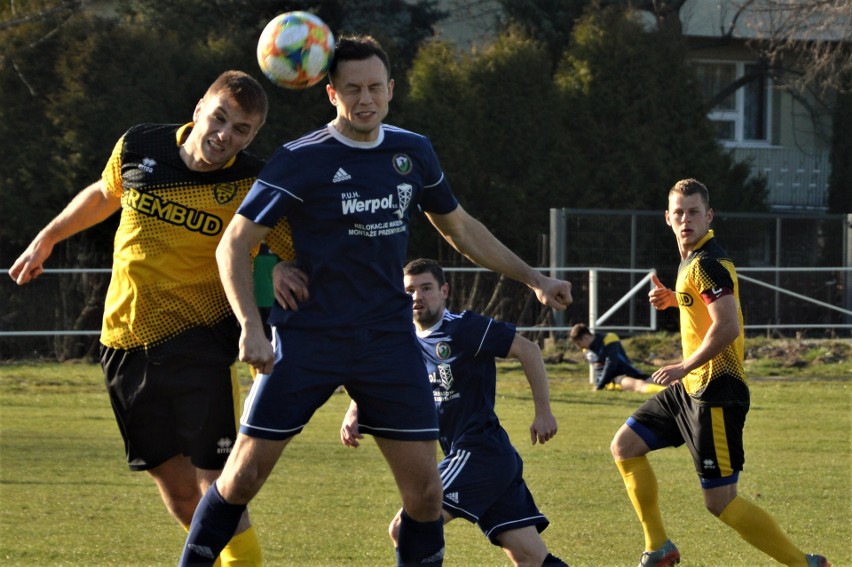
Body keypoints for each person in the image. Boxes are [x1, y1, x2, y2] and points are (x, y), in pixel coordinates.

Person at [179, 36, 573, 567]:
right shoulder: (301, 158)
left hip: (386, 344)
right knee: (242, 477)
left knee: (427, 496)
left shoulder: (413, 151)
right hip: (308, 341)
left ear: (390, 90)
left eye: (373, 88)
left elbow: (460, 229)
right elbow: (236, 242)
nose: (364, 99)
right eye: (351, 89)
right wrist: (251, 324)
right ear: (331, 94)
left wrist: (532, 277)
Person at [8, 70, 289, 565]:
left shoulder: (254, 182)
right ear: (200, 107)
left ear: (253, 136)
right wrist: (47, 237)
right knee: (181, 494)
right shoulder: (140, 145)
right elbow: (104, 193)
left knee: (218, 487)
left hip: (202, 342)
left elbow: (292, 248)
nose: (225, 135)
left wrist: (287, 268)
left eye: (241, 129)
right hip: (122, 344)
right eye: (220, 118)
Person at [609, 179, 831, 567]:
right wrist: (676, 300)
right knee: (625, 447)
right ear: (667, 218)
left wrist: (683, 365)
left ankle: (805, 564)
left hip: (715, 389)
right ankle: (658, 546)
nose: (685, 220)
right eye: (678, 213)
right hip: (690, 388)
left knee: (720, 502)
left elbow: (727, 326)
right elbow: (705, 309)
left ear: (708, 216)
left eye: (693, 212)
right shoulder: (691, 261)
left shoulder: (708, 263)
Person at [340, 258, 569, 567]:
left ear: (444, 291)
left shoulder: (463, 328)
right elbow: (382, 374)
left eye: (426, 288)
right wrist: (355, 409)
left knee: (407, 528)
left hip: (479, 451)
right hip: (486, 458)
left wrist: (543, 412)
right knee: (531, 558)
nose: (417, 297)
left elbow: (528, 349)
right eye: (409, 290)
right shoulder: (402, 339)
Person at [569, 323, 665, 393]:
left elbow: (611, 364)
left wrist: (599, 386)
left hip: (628, 371)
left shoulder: (609, 338)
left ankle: (676, 390)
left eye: (578, 343)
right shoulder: (587, 350)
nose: (579, 347)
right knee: (638, 385)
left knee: (663, 380)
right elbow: (599, 371)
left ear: (585, 337)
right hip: (615, 378)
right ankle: (672, 394)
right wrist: (600, 384)